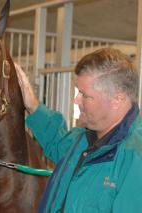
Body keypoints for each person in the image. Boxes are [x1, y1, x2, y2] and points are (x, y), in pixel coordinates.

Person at [15, 47, 142, 213]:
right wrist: (32, 104)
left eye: (84, 95)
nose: (76, 100)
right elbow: (57, 141)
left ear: (117, 99)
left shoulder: (134, 157)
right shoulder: (84, 139)